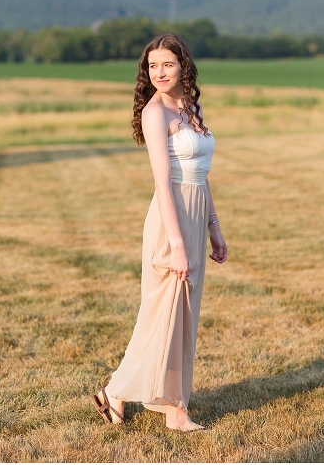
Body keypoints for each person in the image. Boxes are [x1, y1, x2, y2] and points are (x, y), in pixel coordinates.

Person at [90, 33, 227, 431]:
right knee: (161, 315)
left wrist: (214, 227)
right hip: (171, 220)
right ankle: (124, 393)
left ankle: (171, 406)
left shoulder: (191, 106)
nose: (159, 72)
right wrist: (178, 243)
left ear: (183, 65)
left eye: (167, 64)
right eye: (152, 66)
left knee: (183, 316)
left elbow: (202, 176)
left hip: (196, 213)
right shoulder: (155, 114)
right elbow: (163, 184)